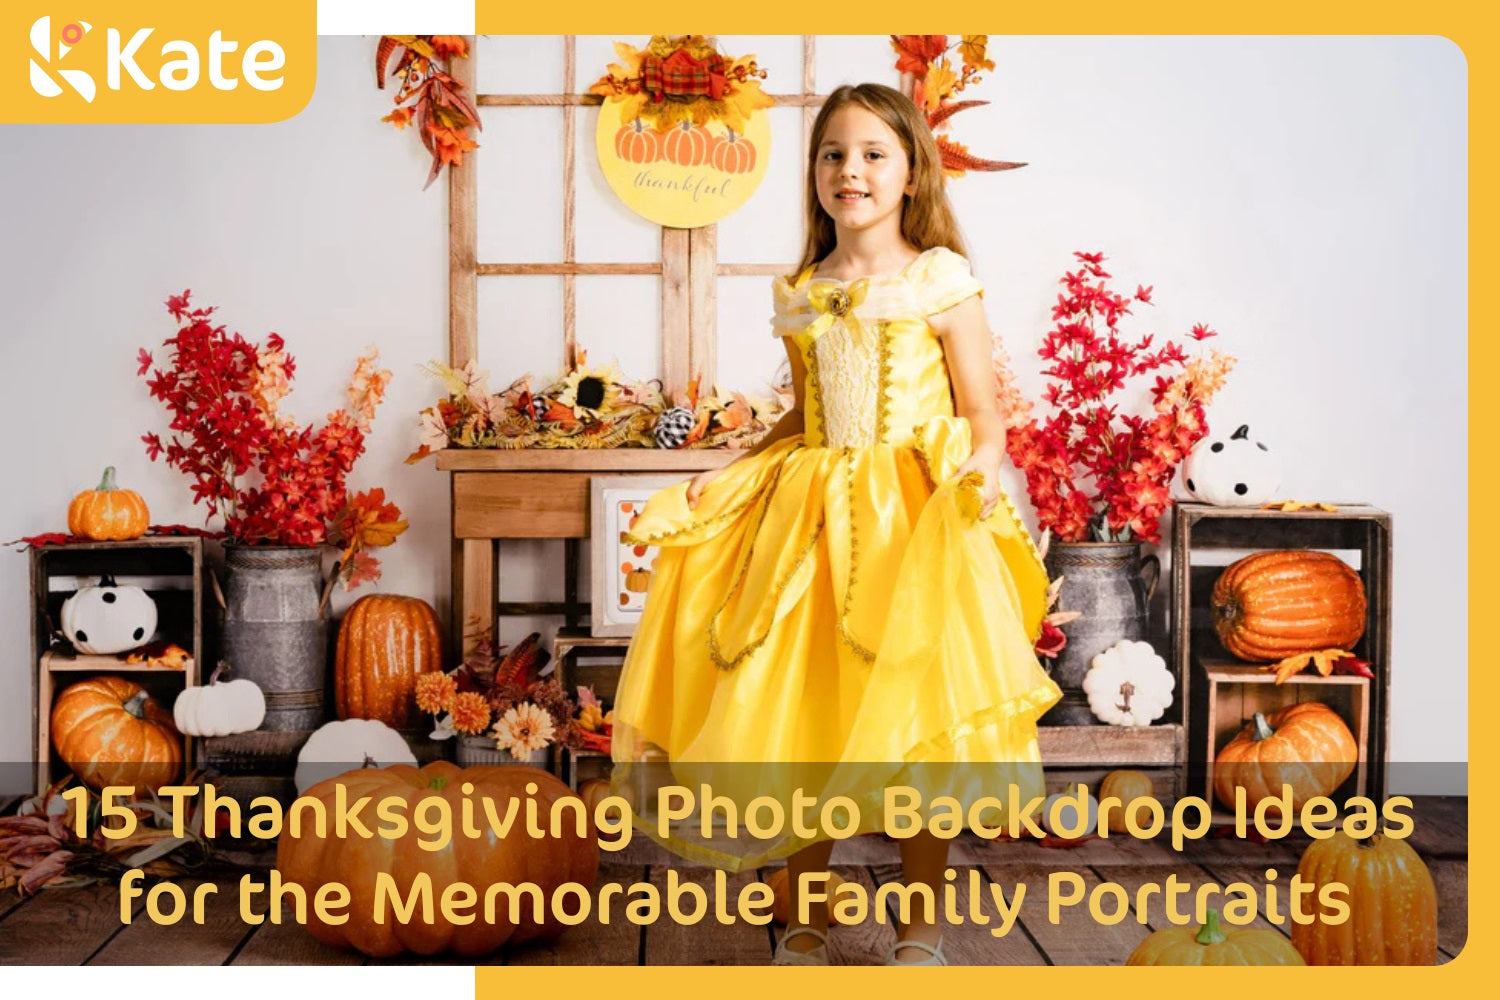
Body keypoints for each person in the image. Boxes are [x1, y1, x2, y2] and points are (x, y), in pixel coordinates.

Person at [609, 82, 1061, 966]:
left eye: (871, 155)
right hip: (811, 521)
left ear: (910, 172)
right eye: (832, 155)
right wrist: (730, 468)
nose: (849, 171)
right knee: (801, 714)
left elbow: (985, 414)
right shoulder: (806, 292)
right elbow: (804, 416)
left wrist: (980, 470)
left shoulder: (940, 280)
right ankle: (806, 920)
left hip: (912, 525)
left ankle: (920, 932)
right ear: (815, 172)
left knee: (916, 723)